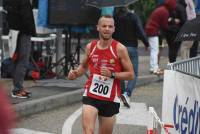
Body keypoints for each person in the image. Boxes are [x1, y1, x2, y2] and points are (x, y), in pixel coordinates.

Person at [68, 15, 134, 134]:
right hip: (91, 94)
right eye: (104, 26)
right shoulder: (90, 47)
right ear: (98, 27)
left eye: (110, 26)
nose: (107, 29)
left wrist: (112, 74)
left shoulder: (120, 48)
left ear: (114, 29)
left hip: (110, 98)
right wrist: (76, 73)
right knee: (88, 131)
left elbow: (130, 75)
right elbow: (84, 66)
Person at [113, 7, 149, 108]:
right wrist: (146, 43)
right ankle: (127, 93)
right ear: (127, 6)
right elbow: (140, 31)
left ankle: (122, 94)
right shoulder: (133, 17)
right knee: (133, 73)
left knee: (120, 73)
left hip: (118, 48)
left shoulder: (114, 18)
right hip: (131, 48)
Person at [5, 0, 36, 98]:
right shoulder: (23, 1)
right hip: (23, 32)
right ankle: (17, 89)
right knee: (23, 60)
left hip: (16, 31)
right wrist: (31, 31)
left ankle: (18, 88)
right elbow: (26, 17)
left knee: (18, 60)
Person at [145, 0, 176, 74]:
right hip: (153, 31)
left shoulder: (161, 9)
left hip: (150, 29)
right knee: (155, 50)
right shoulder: (165, 11)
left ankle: (153, 67)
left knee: (154, 50)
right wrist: (173, 29)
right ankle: (154, 68)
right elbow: (164, 26)